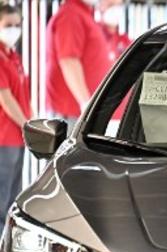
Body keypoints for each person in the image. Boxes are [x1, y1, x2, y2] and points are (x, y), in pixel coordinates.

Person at [46, 0, 115, 128]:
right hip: (71, 115)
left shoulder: (84, 14)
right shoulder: (71, 15)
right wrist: (85, 104)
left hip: (78, 114)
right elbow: (69, 61)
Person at [0, 4, 30, 225]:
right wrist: (27, 125)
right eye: (7, 25)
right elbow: (6, 99)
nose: (13, 29)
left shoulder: (13, 56)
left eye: (17, 25)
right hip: (4, 138)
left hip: (16, 137)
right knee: (2, 199)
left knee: (12, 198)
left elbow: (22, 97)